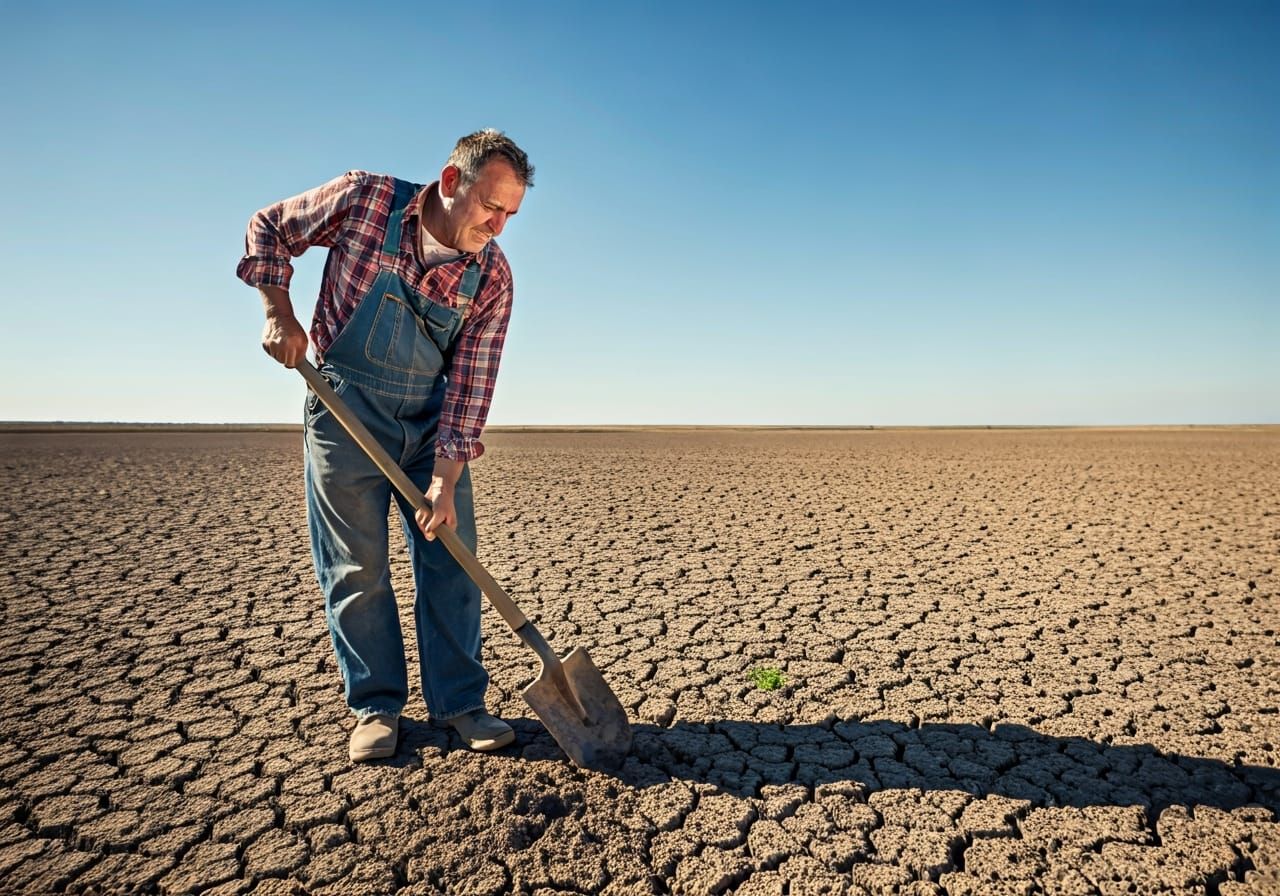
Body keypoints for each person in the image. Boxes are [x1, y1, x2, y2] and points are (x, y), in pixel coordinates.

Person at [236, 130, 532, 762]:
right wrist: (278, 311)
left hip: (429, 424)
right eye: (491, 207)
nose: (498, 226)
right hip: (344, 412)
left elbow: (471, 384)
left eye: (511, 214)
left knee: (452, 559)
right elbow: (269, 227)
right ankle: (376, 706)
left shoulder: (492, 278)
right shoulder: (365, 201)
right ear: (451, 182)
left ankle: (461, 704)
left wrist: (444, 481)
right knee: (356, 568)